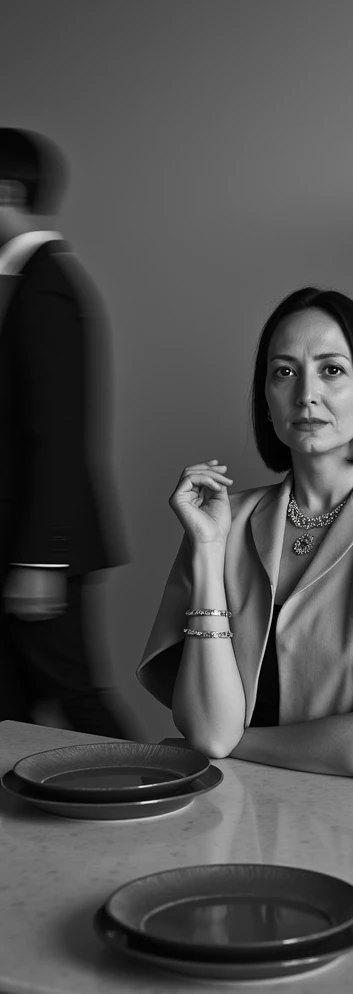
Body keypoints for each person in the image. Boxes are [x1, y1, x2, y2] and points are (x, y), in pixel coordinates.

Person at [137, 287, 353, 781]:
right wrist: (208, 553)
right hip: (232, 814)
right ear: (266, 399)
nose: (306, 394)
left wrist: (231, 746)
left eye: (331, 370)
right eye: (284, 371)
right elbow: (208, 731)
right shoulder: (221, 521)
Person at [0, 127, 130, 737]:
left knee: (73, 696)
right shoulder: (26, 283)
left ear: (6, 191)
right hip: (20, 541)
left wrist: (38, 560)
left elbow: (58, 433)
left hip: (40, 548)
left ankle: (155, 807)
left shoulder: (46, 288)